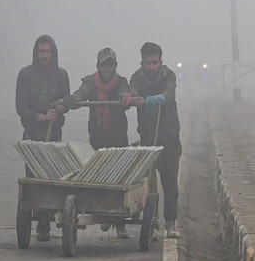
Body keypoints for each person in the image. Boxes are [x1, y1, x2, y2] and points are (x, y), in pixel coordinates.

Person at [56, 47, 131, 238]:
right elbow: (80, 94)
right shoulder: (90, 82)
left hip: (118, 137)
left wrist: (125, 98)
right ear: (98, 66)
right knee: (99, 177)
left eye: (110, 64)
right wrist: (68, 102)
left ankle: (120, 222)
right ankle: (103, 214)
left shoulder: (121, 82)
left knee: (119, 177)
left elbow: (124, 92)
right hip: (97, 137)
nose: (107, 68)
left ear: (115, 66)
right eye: (104, 64)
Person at [121, 42, 182, 239]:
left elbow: (169, 94)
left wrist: (156, 100)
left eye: (155, 62)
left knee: (170, 184)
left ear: (160, 62)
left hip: (170, 139)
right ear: (142, 62)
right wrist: (133, 98)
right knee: (148, 185)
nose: (152, 67)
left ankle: (171, 222)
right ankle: (152, 221)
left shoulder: (168, 75)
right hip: (147, 138)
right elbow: (132, 90)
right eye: (148, 63)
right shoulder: (137, 77)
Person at [16, 34, 70, 241]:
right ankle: (38, 219)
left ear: (53, 53)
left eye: (48, 52)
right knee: (33, 180)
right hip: (32, 136)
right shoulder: (26, 75)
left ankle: (45, 223)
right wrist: (39, 116)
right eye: (41, 52)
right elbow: (20, 107)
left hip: (54, 135)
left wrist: (60, 108)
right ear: (36, 52)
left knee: (52, 179)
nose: (44, 56)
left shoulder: (61, 75)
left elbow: (67, 101)